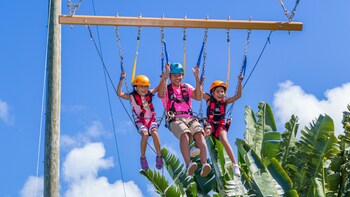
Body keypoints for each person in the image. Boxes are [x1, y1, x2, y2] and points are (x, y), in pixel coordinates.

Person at [158, 62, 211, 177]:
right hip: (175, 118)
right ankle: (189, 164)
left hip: (190, 117)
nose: (178, 78)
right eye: (175, 75)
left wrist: (197, 77)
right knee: (185, 134)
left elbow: (198, 96)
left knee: (199, 134)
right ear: (171, 76)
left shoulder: (186, 87)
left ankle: (204, 163)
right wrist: (165, 76)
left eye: (180, 75)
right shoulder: (166, 88)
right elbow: (161, 94)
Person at [117, 72, 164, 171]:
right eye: (141, 87)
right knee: (145, 135)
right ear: (135, 88)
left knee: (155, 133)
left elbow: (159, 87)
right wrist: (121, 79)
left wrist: (163, 78)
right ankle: (143, 157)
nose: (144, 89)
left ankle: (159, 156)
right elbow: (119, 93)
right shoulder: (131, 97)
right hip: (140, 121)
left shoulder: (149, 94)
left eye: (146, 87)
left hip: (151, 120)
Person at [202, 74, 243, 176]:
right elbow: (199, 92)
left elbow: (238, 96)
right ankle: (197, 149)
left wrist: (239, 81)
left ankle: (234, 164)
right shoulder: (209, 99)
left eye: (222, 91)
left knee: (224, 139)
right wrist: (200, 81)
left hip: (221, 125)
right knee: (206, 132)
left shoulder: (225, 101)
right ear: (213, 93)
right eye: (218, 91)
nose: (221, 94)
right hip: (210, 123)